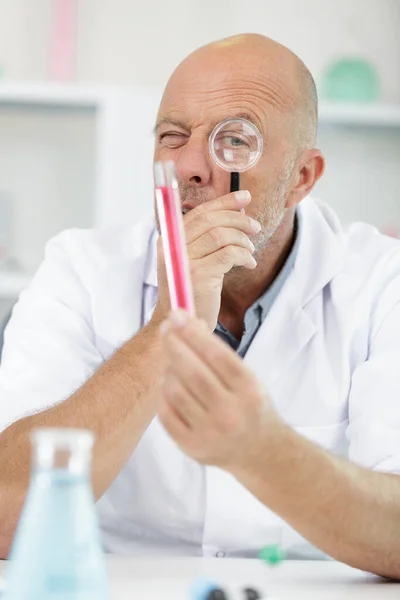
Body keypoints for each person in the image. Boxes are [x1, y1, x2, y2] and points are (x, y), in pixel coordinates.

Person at [0, 33, 400, 577]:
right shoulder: (79, 269)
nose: (190, 164)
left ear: (301, 179)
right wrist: (169, 324)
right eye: (172, 136)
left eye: (234, 139)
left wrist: (263, 449)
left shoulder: (382, 282)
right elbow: (5, 516)